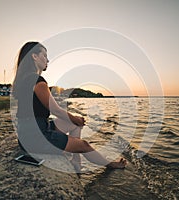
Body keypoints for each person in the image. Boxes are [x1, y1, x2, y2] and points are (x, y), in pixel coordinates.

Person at [12, 41, 126, 171]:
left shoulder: (24, 79)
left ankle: (76, 161)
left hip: (27, 133)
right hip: (35, 137)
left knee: (74, 123)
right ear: (34, 56)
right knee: (84, 145)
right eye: (44, 55)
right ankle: (111, 165)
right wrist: (75, 119)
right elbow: (55, 110)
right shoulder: (37, 81)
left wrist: (74, 120)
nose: (47, 60)